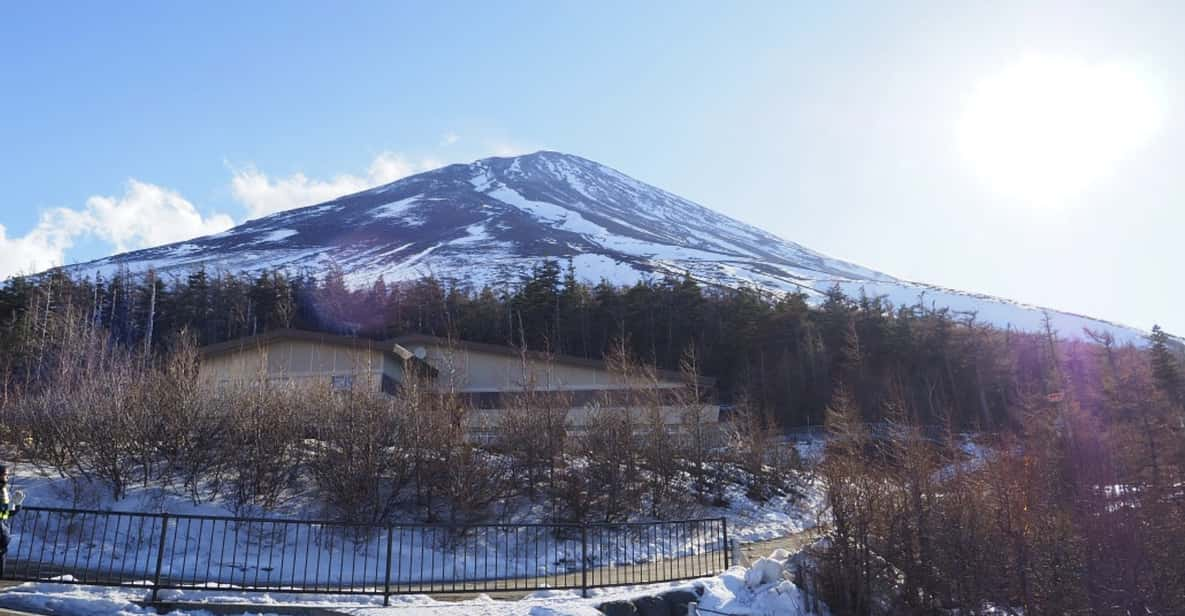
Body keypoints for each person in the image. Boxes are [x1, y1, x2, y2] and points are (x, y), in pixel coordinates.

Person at [0, 464, 18, 578]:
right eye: (5, 475)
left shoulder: (4, 490)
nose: (7, 478)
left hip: (3, 535)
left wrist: (16, 505)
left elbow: (5, 514)